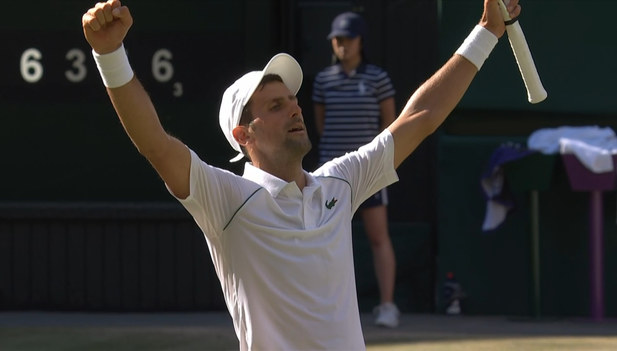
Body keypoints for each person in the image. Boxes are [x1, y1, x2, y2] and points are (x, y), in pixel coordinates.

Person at [81, 0, 521, 349]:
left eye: (291, 98)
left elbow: (421, 116)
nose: (294, 107)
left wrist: (486, 31)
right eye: (275, 105)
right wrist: (109, 54)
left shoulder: (340, 182)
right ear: (243, 134)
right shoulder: (226, 198)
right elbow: (155, 144)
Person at [313, 11, 400, 328]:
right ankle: (325, 310)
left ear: (360, 41)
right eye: (337, 40)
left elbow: (390, 125)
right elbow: (322, 126)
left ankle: (388, 306)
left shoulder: (378, 79)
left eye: (347, 39)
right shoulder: (323, 81)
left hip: (370, 172)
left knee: (379, 237)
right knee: (325, 240)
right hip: (330, 174)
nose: (342, 45)